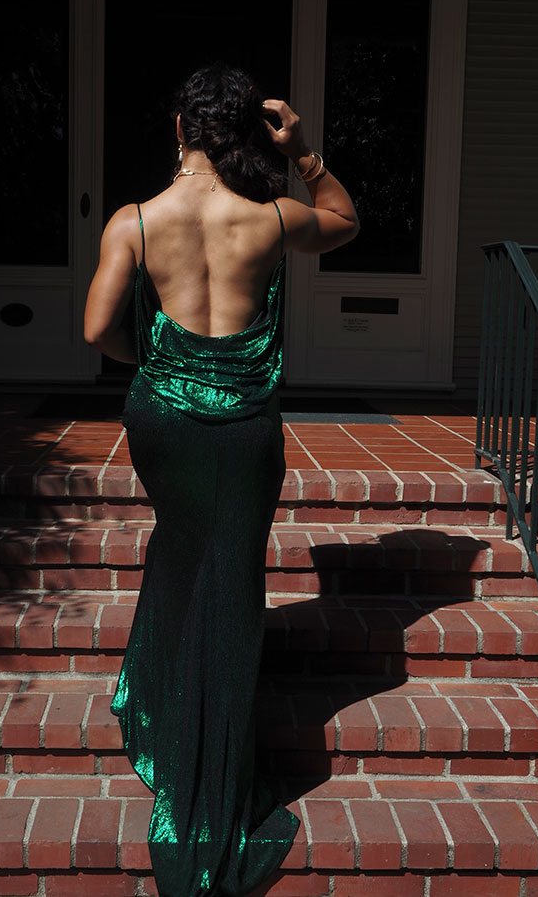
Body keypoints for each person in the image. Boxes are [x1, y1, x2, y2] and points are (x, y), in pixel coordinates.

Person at [84, 64, 359, 897]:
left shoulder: (136, 221)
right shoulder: (273, 218)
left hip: (162, 420)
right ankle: (215, 781)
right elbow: (347, 220)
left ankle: (169, 732)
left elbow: (99, 330)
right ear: (246, 135)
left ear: (178, 129)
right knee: (231, 586)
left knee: (180, 556)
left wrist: (165, 364)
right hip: (243, 428)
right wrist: (305, 152)